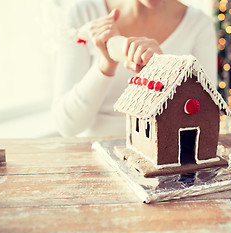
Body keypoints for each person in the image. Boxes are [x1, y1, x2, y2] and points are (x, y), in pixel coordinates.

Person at [52, 0, 217, 137]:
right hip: (92, 159)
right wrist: (105, 66)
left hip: (163, 161)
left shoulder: (199, 24)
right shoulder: (83, 14)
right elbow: (67, 126)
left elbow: (205, 120)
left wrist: (164, 72)